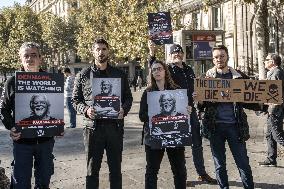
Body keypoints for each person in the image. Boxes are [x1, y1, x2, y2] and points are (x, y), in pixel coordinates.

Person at [148, 40, 216, 184]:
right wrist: (152, 53)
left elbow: (194, 87)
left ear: (183, 54)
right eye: (174, 52)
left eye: (179, 52)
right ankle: (181, 177)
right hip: (176, 114)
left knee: (197, 143)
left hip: (190, 111)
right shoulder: (167, 69)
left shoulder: (189, 69)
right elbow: (154, 69)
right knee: (178, 145)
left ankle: (201, 173)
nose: (177, 54)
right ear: (170, 55)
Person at [197, 45, 261, 189]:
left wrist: (263, 105)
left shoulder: (238, 76)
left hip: (235, 126)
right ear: (213, 60)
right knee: (219, 164)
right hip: (215, 127)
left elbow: (250, 98)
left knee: (243, 163)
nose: (219, 59)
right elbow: (201, 106)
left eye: (222, 56)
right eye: (216, 57)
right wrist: (199, 100)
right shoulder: (205, 78)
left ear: (227, 57)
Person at [72, 38, 133, 189]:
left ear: (108, 51)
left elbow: (128, 98)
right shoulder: (83, 75)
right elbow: (75, 100)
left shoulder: (119, 74)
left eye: (104, 49)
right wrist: (86, 110)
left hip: (114, 128)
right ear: (93, 52)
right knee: (92, 169)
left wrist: (124, 109)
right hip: (93, 129)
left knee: (115, 170)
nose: (101, 52)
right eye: (98, 49)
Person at [0, 42, 57, 189]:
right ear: (21, 59)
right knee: (20, 184)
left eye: (33, 55)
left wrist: (58, 126)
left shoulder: (51, 80)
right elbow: (3, 109)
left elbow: (55, 108)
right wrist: (11, 127)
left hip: (45, 142)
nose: (30, 59)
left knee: (43, 183)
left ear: (40, 58)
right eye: (26, 56)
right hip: (22, 143)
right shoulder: (11, 82)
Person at [139, 60, 191, 189]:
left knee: (179, 170)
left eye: (159, 69)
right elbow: (141, 115)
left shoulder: (177, 90)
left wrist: (188, 110)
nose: (157, 71)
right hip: (154, 137)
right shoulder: (148, 92)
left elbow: (185, 110)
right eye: (154, 69)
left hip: (175, 136)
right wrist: (153, 113)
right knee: (152, 171)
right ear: (151, 73)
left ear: (165, 71)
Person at [258, 53, 284, 167]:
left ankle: (271, 158)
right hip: (272, 108)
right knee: (269, 134)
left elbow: (275, 93)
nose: (264, 61)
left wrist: (271, 108)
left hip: (275, 109)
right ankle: (271, 158)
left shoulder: (276, 73)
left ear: (272, 62)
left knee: (277, 135)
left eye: (266, 60)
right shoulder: (274, 72)